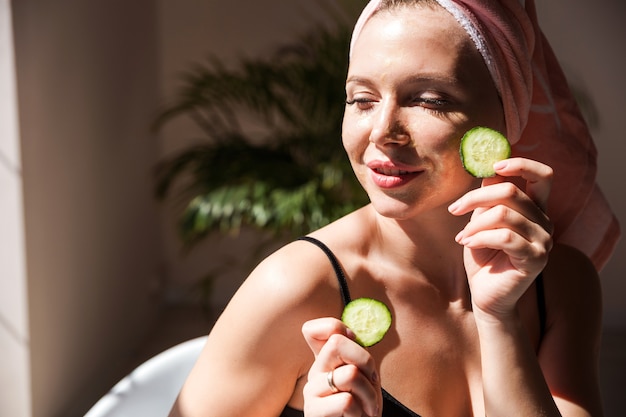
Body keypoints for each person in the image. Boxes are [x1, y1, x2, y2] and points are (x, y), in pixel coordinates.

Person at [168, 0, 620, 416]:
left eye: (429, 100)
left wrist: (499, 320)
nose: (383, 131)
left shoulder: (563, 285)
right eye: (361, 99)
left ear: (509, 117)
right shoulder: (294, 290)